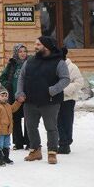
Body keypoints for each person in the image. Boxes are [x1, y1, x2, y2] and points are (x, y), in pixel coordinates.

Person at [16, 36, 70, 165]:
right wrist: (19, 92)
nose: (35, 46)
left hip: (50, 101)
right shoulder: (30, 61)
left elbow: (65, 79)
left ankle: (52, 152)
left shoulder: (59, 62)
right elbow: (21, 77)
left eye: (38, 44)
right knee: (30, 127)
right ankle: (35, 151)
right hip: (30, 101)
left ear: (47, 46)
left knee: (51, 127)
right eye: (35, 44)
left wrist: (53, 90)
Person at [0, 44, 29, 150]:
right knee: (15, 119)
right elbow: (2, 77)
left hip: (28, 96)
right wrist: (8, 85)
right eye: (20, 51)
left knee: (29, 120)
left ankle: (29, 142)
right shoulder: (12, 64)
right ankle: (18, 142)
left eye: (24, 51)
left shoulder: (30, 63)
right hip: (14, 97)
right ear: (16, 53)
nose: (23, 53)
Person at [58, 48, 86, 155]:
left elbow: (79, 82)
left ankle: (66, 143)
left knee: (67, 121)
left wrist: (63, 90)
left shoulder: (72, 67)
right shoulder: (53, 66)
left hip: (68, 99)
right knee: (57, 121)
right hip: (55, 98)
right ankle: (62, 141)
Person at [0, 84, 23, 167]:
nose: (5, 98)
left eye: (6, 96)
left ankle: (5, 157)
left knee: (6, 144)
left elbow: (13, 108)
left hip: (7, 130)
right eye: (2, 96)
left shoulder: (7, 105)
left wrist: (18, 102)